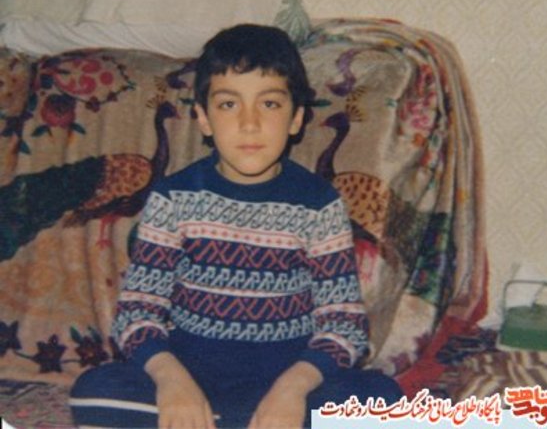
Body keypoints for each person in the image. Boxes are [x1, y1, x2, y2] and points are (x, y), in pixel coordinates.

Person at [69, 24, 402, 429]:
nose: (249, 123)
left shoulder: (318, 203)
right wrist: (171, 381)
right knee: (93, 391)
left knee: (382, 399)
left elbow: (344, 323)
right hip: (190, 375)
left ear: (296, 118)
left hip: (288, 379)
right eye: (229, 104)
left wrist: (293, 388)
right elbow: (137, 312)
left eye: (270, 104)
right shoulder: (174, 198)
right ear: (203, 118)